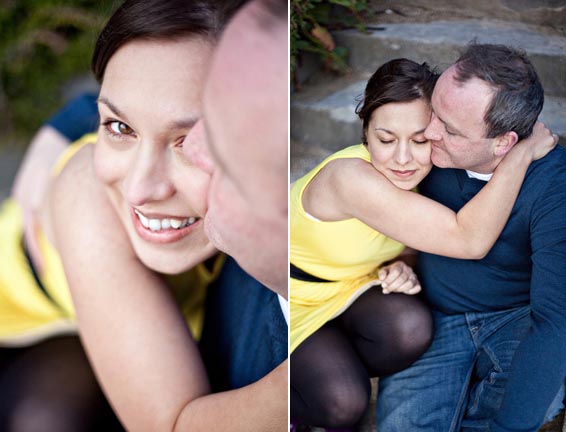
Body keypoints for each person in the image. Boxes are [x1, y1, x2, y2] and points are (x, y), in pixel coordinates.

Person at [1, 0, 287, 431]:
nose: (140, 188)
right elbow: (167, 424)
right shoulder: (88, 198)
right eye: (119, 127)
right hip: (27, 317)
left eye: (189, 143)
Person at [288, 58, 557, 430]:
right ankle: (293, 402)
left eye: (419, 138)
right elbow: (468, 239)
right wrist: (521, 154)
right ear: (365, 132)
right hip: (291, 297)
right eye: (385, 139)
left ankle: (327, 366)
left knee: (408, 326)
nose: (403, 158)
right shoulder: (351, 178)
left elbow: (407, 237)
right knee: (342, 405)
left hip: (348, 290)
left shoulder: (425, 169)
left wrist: (405, 262)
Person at [375, 44, 566, 432]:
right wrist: (402, 262)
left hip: (516, 318)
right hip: (433, 317)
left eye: (450, 129)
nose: (428, 133)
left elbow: (555, 320)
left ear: (504, 143)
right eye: (436, 113)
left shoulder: (554, 187)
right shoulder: (418, 154)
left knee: (533, 402)